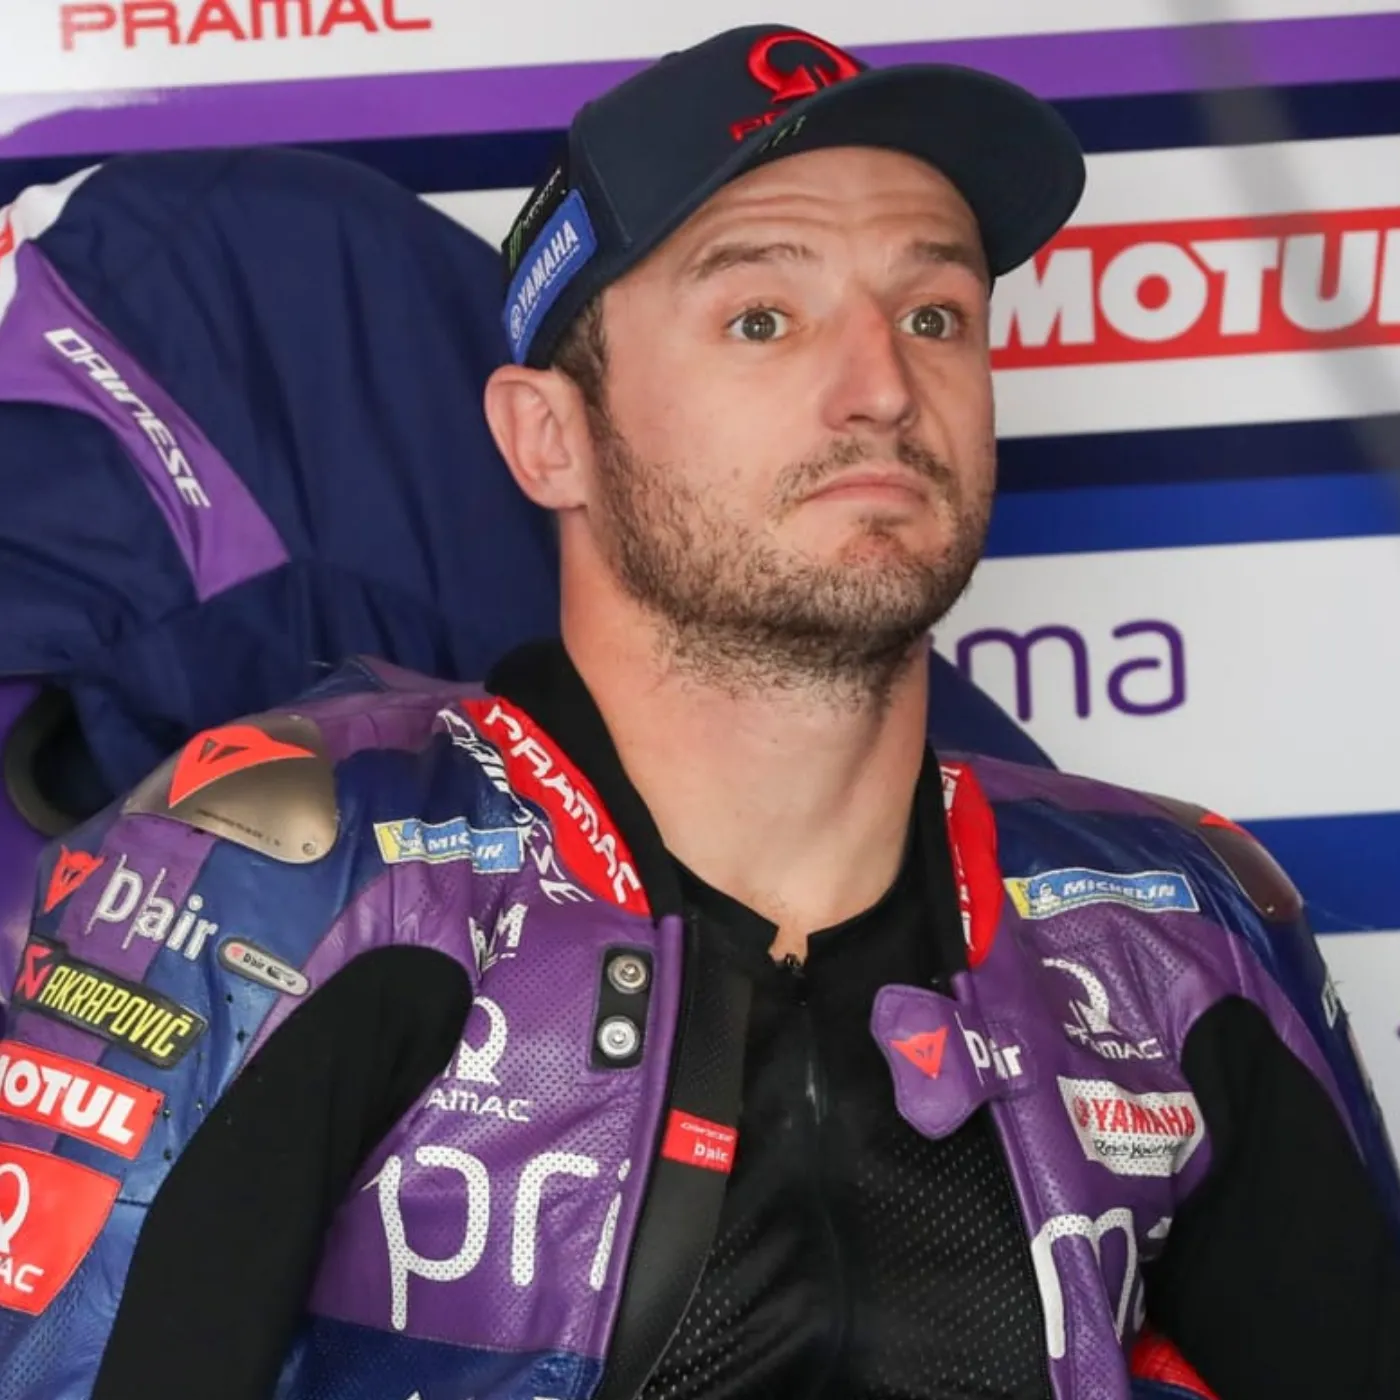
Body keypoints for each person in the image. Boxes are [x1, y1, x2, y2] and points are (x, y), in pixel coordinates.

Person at [0, 23, 1397, 1400]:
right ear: (550, 438)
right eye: (762, 320)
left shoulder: (1178, 927)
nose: (883, 390)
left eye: (934, 316)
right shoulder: (294, 888)